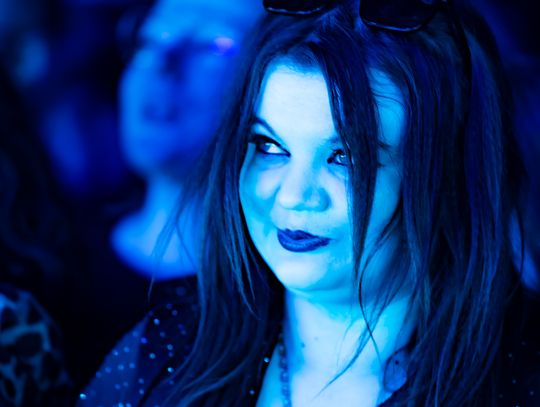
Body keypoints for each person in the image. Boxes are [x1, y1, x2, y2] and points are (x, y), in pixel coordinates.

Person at [79, 0, 539, 406]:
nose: (294, 195)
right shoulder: (166, 345)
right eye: (269, 146)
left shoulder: (523, 378)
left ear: (445, 172)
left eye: (346, 157)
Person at [111, 0, 263, 280]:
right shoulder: (55, 257)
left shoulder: (284, 290)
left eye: (212, 46)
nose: (160, 64)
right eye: (148, 41)